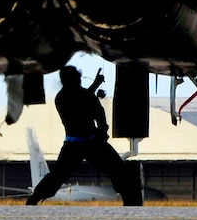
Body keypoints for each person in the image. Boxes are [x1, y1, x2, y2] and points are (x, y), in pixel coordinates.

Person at [27, 65, 143, 206]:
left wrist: (95, 85)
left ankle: (34, 199)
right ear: (77, 79)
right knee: (118, 169)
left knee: (57, 176)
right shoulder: (83, 97)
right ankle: (130, 201)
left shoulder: (61, 98)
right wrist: (102, 133)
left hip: (72, 144)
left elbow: (80, 100)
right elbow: (90, 107)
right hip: (93, 143)